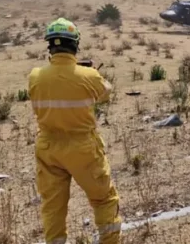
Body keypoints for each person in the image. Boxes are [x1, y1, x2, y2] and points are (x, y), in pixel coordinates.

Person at [28, 18, 122, 244]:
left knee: (53, 207)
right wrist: (90, 72)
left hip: (48, 148)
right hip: (83, 148)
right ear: (75, 45)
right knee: (104, 199)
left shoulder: (35, 77)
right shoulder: (89, 77)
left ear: (50, 46)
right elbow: (106, 91)